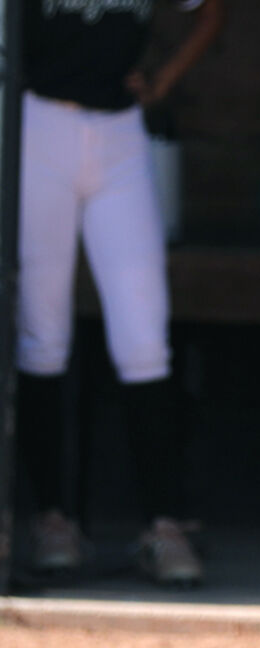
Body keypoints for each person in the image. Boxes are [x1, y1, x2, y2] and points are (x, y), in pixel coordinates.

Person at [16, 0, 227, 585]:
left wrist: (161, 80)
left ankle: (161, 525)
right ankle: (53, 520)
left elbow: (209, 12)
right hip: (39, 125)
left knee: (143, 335)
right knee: (43, 334)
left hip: (119, 133)